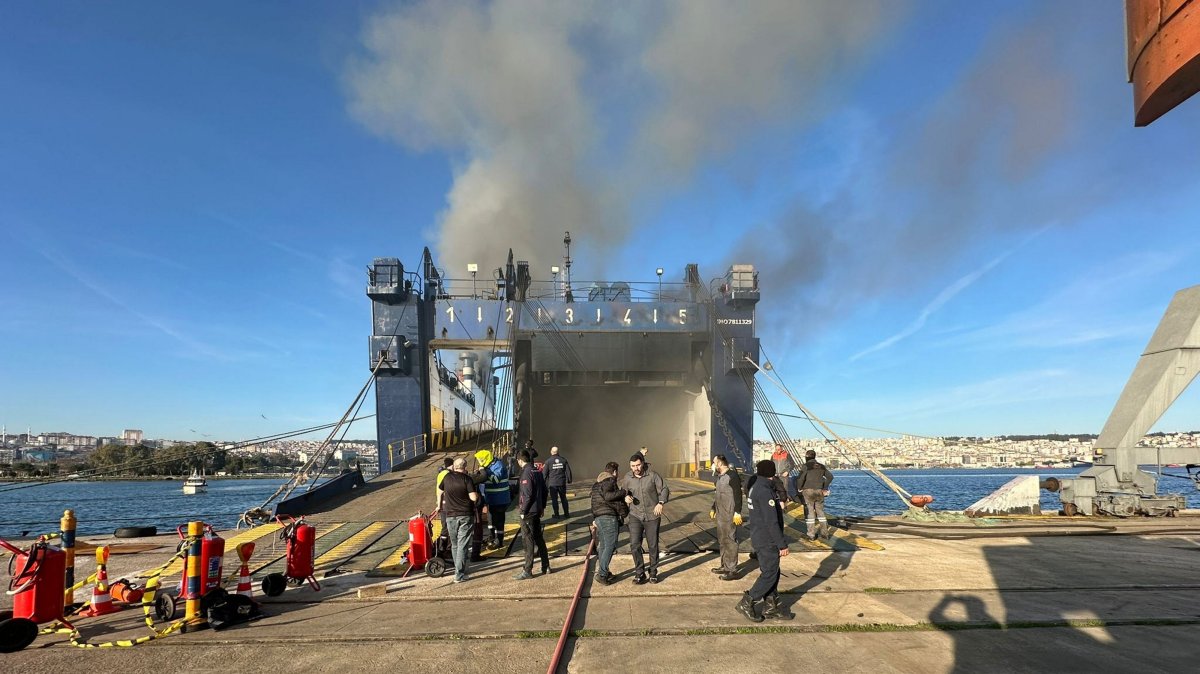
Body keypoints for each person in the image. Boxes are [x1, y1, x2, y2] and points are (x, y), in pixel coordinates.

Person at [738, 460, 793, 622]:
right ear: (771, 473)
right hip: (767, 539)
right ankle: (747, 602)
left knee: (772, 571)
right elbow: (771, 521)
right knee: (769, 573)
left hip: (759, 535)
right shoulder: (764, 491)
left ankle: (771, 607)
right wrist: (781, 544)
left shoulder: (755, 487)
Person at [621, 452, 669, 584]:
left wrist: (661, 503)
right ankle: (639, 573)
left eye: (638, 465)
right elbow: (623, 491)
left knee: (652, 545)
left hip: (652, 515)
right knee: (635, 544)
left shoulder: (653, 476)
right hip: (635, 515)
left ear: (643, 463)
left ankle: (653, 572)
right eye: (632, 466)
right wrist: (625, 497)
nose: (636, 468)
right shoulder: (627, 477)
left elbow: (664, 489)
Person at [440, 457, 478, 583]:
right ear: (465, 467)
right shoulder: (467, 479)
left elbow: (440, 490)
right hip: (465, 515)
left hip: (450, 516)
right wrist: (476, 494)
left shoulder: (446, 478)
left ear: (454, 467)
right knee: (463, 545)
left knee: (455, 544)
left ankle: (458, 570)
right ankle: (459, 574)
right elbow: (473, 498)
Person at [589, 461, 627, 585]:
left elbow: (595, 501)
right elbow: (610, 497)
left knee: (604, 546)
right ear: (614, 472)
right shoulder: (610, 481)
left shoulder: (596, 484)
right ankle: (602, 574)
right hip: (608, 518)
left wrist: (595, 518)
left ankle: (604, 571)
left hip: (599, 518)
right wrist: (624, 492)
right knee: (611, 545)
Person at [514, 450, 550, 579]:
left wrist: (523, 511)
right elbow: (545, 490)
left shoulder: (526, 473)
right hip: (536, 509)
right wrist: (542, 507)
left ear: (520, 460)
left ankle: (527, 570)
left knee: (528, 540)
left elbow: (527, 495)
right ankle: (546, 566)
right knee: (539, 538)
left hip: (528, 511)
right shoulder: (537, 471)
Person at [709, 454, 743, 581]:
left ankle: (732, 570)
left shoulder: (732, 476)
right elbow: (717, 495)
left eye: (714, 462)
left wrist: (737, 512)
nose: (712, 465)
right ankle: (724, 566)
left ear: (719, 463)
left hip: (729, 513)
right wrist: (713, 507)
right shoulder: (719, 477)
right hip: (720, 513)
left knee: (730, 540)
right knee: (722, 539)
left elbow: (738, 495)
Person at [473, 449, 511, 550]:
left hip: (500, 498)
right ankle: (492, 536)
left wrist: (484, 471)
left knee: (499, 520)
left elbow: (495, 480)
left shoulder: (498, 465)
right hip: (491, 498)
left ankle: (499, 540)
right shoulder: (489, 466)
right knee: (491, 519)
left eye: (480, 460)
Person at [796, 449, 835, 540]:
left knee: (810, 512)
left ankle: (811, 535)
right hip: (819, 491)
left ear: (806, 457)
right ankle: (825, 534)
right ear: (815, 456)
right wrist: (825, 487)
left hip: (808, 490)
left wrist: (799, 487)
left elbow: (801, 478)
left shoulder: (806, 466)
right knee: (820, 512)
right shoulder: (821, 466)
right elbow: (830, 477)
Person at [544, 446, 573, 518]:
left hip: (552, 484)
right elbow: (568, 471)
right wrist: (569, 480)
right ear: (558, 452)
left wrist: (542, 483)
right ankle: (566, 514)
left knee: (554, 500)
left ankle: (556, 515)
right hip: (562, 483)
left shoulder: (548, 461)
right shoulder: (563, 460)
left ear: (551, 452)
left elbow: (544, 474)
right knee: (563, 498)